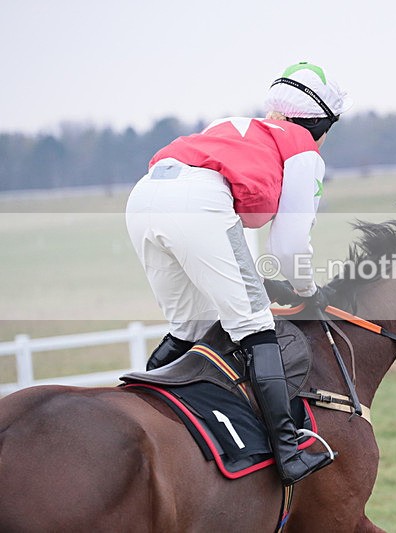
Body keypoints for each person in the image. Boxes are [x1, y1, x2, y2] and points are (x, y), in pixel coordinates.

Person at [125, 61, 351, 485]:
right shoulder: (304, 149)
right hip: (198, 204)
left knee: (189, 325)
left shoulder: (230, 124)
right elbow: (289, 244)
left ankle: (134, 408)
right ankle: (288, 453)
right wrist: (308, 289)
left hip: (144, 196)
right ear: (324, 124)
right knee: (255, 326)